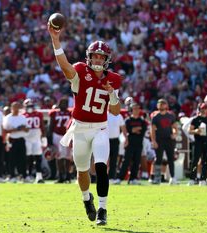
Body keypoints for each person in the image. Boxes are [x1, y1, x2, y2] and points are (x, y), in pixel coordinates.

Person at [48, 24, 122, 225]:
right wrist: (56, 41)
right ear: (90, 57)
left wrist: (111, 93)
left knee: (100, 167)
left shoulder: (113, 79)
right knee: (81, 171)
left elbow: (115, 111)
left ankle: (103, 209)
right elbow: (65, 66)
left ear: (106, 60)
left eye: (101, 57)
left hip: (100, 128)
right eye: (95, 56)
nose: (98, 59)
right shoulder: (81, 71)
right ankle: (86, 199)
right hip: (80, 128)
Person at [114, 102, 147, 185]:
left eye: (138, 108)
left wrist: (134, 130)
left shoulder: (142, 121)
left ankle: (133, 179)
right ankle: (119, 178)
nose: (137, 110)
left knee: (136, 162)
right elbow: (128, 130)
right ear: (131, 110)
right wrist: (135, 130)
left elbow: (142, 131)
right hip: (129, 144)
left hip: (139, 144)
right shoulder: (128, 120)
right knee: (126, 161)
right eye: (135, 109)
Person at [150, 99, 178, 185]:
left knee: (171, 159)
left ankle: (173, 177)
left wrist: (174, 133)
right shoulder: (155, 117)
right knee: (158, 159)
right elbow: (153, 130)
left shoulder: (170, 116)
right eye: (159, 104)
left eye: (163, 104)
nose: (161, 105)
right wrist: (153, 141)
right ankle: (157, 178)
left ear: (166, 105)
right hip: (159, 140)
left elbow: (174, 127)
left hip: (169, 140)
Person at [188, 103, 207, 186]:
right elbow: (190, 130)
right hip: (198, 141)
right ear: (199, 109)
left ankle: (203, 178)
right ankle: (192, 178)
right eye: (202, 109)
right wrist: (196, 131)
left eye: (205, 109)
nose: (203, 110)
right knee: (195, 160)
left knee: (206, 160)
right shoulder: (195, 119)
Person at [3, 102, 29, 183]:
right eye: (14, 107)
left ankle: (23, 175)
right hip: (12, 139)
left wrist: (23, 128)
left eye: (18, 107)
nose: (16, 109)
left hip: (21, 139)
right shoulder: (8, 118)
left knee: (22, 159)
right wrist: (16, 129)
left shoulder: (23, 117)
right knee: (11, 159)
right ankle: (12, 175)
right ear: (11, 108)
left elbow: (27, 129)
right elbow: (5, 130)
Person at [48, 98, 72, 183]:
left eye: (65, 103)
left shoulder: (70, 112)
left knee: (68, 157)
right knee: (59, 157)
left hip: (67, 135)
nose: (63, 104)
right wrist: (49, 139)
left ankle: (68, 176)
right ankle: (61, 176)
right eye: (61, 102)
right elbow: (51, 126)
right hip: (57, 135)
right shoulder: (54, 113)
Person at [23, 98, 45, 183]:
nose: (30, 107)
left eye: (31, 106)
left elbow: (42, 126)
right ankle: (28, 174)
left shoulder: (38, 114)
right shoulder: (23, 115)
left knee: (38, 157)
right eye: (28, 106)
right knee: (28, 157)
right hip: (27, 138)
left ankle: (39, 176)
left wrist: (44, 137)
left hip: (36, 137)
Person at [107, 109, 127, 182]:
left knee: (114, 159)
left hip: (115, 140)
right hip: (105, 140)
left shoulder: (119, 116)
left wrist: (126, 138)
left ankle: (111, 177)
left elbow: (123, 128)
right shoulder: (105, 115)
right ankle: (101, 177)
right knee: (104, 159)